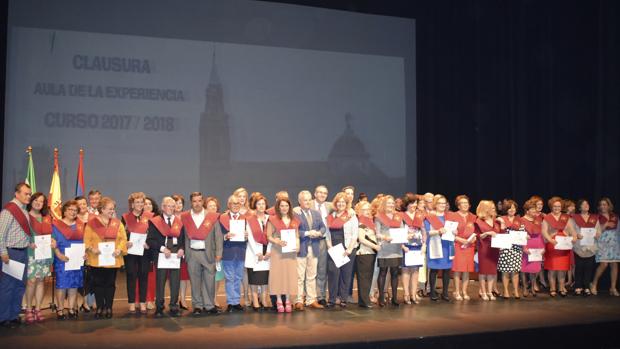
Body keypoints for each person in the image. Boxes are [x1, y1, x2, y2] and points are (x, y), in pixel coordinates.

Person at [84, 197, 127, 319]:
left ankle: (108, 307)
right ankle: (100, 307)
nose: (112, 211)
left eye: (113, 209)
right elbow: (86, 240)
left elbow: (123, 239)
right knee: (98, 284)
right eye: (109, 209)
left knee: (110, 284)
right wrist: (92, 249)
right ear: (102, 209)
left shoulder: (117, 223)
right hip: (96, 259)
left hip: (113, 259)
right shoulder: (92, 223)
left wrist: (119, 248)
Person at [181, 192, 223, 315]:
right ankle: (197, 306)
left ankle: (209, 305)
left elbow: (218, 237)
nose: (197, 203)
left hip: (208, 253)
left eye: (199, 201)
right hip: (192, 254)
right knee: (195, 282)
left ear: (202, 201)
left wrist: (219, 254)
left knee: (210, 281)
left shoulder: (212, 216)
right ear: (191, 202)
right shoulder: (185, 217)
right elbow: (182, 236)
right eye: (194, 201)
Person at [0, 183, 33, 328]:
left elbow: (21, 233)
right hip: (11, 253)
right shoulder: (8, 211)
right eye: (25, 194)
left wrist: (29, 243)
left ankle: (13, 315)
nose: (28, 196)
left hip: (23, 252)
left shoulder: (24, 211)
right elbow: (1, 234)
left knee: (20, 286)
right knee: (8, 286)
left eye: (29, 194)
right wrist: (3, 253)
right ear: (16, 194)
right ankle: (3, 317)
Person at [147, 196, 186, 317]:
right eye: (168, 206)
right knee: (160, 282)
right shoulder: (155, 221)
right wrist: (163, 249)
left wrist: (181, 249)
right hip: (161, 254)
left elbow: (183, 240)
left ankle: (174, 306)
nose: (171, 208)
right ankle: (159, 307)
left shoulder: (179, 222)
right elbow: (150, 240)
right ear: (163, 207)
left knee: (175, 282)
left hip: (175, 254)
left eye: (173, 206)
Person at [52, 200, 86, 320]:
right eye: (70, 209)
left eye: (75, 210)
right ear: (64, 211)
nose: (73, 212)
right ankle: (60, 308)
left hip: (77, 259)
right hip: (62, 258)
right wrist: (58, 254)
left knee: (74, 284)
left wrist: (85, 253)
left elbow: (85, 242)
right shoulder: (55, 225)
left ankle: (71, 308)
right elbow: (52, 242)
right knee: (61, 285)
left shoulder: (81, 225)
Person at [293, 190, 326, 310]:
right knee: (299, 276)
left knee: (312, 276)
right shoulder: (295, 214)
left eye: (308, 200)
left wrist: (318, 232)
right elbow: (294, 231)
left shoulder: (316, 213)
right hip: (301, 248)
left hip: (315, 248)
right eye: (305, 200)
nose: (307, 202)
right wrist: (307, 233)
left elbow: (323, 227)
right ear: (299, 201)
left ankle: (311, 300)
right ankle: (298, 300)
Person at [121, 192, 153, 314]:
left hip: (144, 251)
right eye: (137, 202)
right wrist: (126, 242)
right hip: (130, 252)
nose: (140, 204)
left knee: (144, 276)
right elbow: (121, 235)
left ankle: (143, 302)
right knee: (131, 276)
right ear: (132, 204)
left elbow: (152, 234)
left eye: (141, 202)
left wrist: (149, 243)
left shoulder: (150, 217)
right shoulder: (125, 217)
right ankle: (132, 303)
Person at [24, 193, 54, 324]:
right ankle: (29, 309)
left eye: (41, 201)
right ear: (31, 201)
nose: (38, 203)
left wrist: (53, 241)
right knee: (31, 281)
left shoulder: (47, 218)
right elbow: (20, 233)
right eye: (36, 200)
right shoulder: (25, 216)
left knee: (41, 281)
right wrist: (27, 242)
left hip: (44, 254)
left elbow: (51, 234)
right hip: (31, 252)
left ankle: (38, 309)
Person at [266, 198, 300, 313]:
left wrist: (298, 246)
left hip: (290, 252)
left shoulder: (294, 220)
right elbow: (269, 236)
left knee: (289, 276)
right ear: (278, 207)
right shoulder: (272, 219)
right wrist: (277, 241)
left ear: (289, 207)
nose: (284, 208)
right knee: (278, 276)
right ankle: (279, 300)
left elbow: (296, 236)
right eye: (282, 206)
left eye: (286, 205)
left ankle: (288, 301)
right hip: (277, 252)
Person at [541, 196, 577, 297]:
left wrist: (574, 237)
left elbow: (572, 230)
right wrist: (550, 240)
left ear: (561, 207)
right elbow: (544, 231)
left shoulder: (566, 217)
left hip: (564, 245)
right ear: (551, 207)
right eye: (555, 206)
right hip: (552, 245)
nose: (557, 208)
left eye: (559, 206)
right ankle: (553, 288)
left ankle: (561, 287)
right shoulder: (547, 217)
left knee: (562, 269)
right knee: (552, 269)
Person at [220, 195, 249, 312]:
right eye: (233, 203)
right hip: (228, 252)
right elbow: (217, 236)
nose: (236, 205)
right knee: (229, 278)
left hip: (241, 252)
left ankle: (236, 301)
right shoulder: (222, 218)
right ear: (229, 205)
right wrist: (225, 236)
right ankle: (231, 303)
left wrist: (247, 236)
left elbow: (249, 237)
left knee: (238, 277)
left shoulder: (245, 218)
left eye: (238, 203)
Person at [424, 195, 453, 302]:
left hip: (447, 245)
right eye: (440, 203)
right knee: (434, 269)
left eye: (444, 203)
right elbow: (427, 232)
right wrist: (438, 231)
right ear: (435, 204)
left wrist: (455, 232)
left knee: (447, 269)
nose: (442, 205)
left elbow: (454, 229)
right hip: (435, 245)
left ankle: (445, 292)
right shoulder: (430, 217)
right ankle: (432, 291)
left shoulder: (449, 216)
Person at [245, 194, 271, 311]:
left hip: (267, 253)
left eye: (263, 204)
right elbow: (250, 237)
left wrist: (269, 252)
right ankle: (255, 301)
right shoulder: (250, 219)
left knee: (265, 278)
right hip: (254, 252)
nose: (261, 206)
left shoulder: (270, 218)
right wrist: (257, 253)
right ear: (255, 205)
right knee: (254, 278)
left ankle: (264, 300)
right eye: (259, 204)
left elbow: (272, 235)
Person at [400, 195, 426, 304]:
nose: (414, 205)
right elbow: (398, 232)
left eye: (416, 203)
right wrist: (402, 245)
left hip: (418, 246)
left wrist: (424, 244)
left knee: (416, 271)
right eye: (412, 203)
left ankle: (413, 294)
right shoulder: (401, 216)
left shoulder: (419, 216)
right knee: (406, 270)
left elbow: (424, 231)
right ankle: (406, 294)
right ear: (406, 204)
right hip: (406, 246)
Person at [571, 199, 600, 296]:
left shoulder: (594, 218)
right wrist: (576, 235)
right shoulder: (575, 218)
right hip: (579, 246)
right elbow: (572, 230)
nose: (586, 205)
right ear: (579, 207)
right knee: (579, 267)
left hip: (591, 246)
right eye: (583, 204)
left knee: (589, 267)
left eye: (587, 204)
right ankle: (578, 286)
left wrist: (597, 234)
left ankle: (586, 286)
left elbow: (598, 230)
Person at [450, 195, 476, 301]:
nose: (465, 205)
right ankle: (457, 291)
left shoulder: (473, 217)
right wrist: (459, 239)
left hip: (469, 246)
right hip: (458, 245)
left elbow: (476, 232)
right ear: (458, 205)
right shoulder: (453, 216)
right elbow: (449, 232)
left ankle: (464, 291)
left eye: (466, 203)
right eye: (462, 203)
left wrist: (474, 238)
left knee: (467, 270)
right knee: (457, 269)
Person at [591, 197, 619, 296]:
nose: (603, 206)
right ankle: (593, 284)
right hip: (602, 242)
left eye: (605, 204)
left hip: (614, 243)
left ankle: (613, 287)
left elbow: (618, 230)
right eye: (601, 205)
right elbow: (595, 232)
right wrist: (606, 224)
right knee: (604, 264)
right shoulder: (596, 217)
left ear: (608, 206)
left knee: (614, 265)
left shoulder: (614, 216)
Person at [474, 200, 501, 301]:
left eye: (494, 208)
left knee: (492, 271)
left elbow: (501, 233)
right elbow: (477, 235)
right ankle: (483, 292)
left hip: (495, 248)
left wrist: (502, 225)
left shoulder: (496, 221)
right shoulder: (479, 221)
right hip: (484, 248)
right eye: (492, 208)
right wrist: (488, 233)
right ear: (485, 209)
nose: (494, 209)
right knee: (483, 272)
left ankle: (490, 292)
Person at [497, 199, 523, 299]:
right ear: (506, 209)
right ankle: (506, 290)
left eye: (513, 208)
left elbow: (523, 232)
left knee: (515, 271)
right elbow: (498, 232)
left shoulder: (519, 219)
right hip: (505, 247)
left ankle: (516, 290)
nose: (512, 210)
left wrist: (525, 236)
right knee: (505, 270)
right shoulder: (501, 219)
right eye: (509, 208)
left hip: (516, 247)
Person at [355, 200, 379, 308]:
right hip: (363, 253)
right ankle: (364, 301)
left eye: (368, 209)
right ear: (359, 211)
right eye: (364, 209)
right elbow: (361, 239)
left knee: (368, 277)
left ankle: (364, 300)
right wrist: (375, 246)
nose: (367, 211)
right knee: (364, 278)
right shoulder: (361, 222)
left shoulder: (370, 221)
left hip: (370, 253)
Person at [520, 199, 544, 297]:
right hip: (526, 246)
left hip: (537, 247)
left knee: (534, 269)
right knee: (524, 268)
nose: (535, 212)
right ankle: (525, 288)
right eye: (533, 210)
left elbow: (541, 235)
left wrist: (543, 247)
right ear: (527, 211)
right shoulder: (521, 220)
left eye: (535, 210)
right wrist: (524, 247)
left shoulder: (538, 220)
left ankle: (533, 287)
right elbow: (521, 235)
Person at [312, 185, 331, 306]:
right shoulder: (308, 204)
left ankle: (321, 296)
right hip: (310, 241)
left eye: (324, 193)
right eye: (319, 192)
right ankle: (309, 296)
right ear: (315, 194)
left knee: (322, 270)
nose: (322, 195)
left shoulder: (330, 206)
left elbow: (345, 207)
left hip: (324, 241)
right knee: (310, 271)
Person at [205, 196, 224, 308]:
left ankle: (215, 298)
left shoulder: (221, 219)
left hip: (218, 254)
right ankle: (207, 299)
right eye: (210, 206)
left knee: (217, 277)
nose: (212, 208)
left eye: (214, 206)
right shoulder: (203, 219)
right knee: (207, 278)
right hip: (206, 254)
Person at [172, 194, 190, 310]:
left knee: (184, 277)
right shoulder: (168, 217)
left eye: (180, 203)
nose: (178, 205)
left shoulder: (187, 217)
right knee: (172, 276)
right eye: (175, 203)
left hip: (185, 250)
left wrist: (184, 248)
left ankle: (182, 299)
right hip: (171, 252)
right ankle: (173, 298)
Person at [142, 196, 158, 310]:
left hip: (153, 251)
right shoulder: (137, 218)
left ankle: (150, 299)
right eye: (145, 203)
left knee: (152, 277)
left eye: (150, 204)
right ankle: (140, 300)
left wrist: (150, 244)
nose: (147, 206)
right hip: (140, 252)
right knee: (140, 277)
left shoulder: (158, 219)